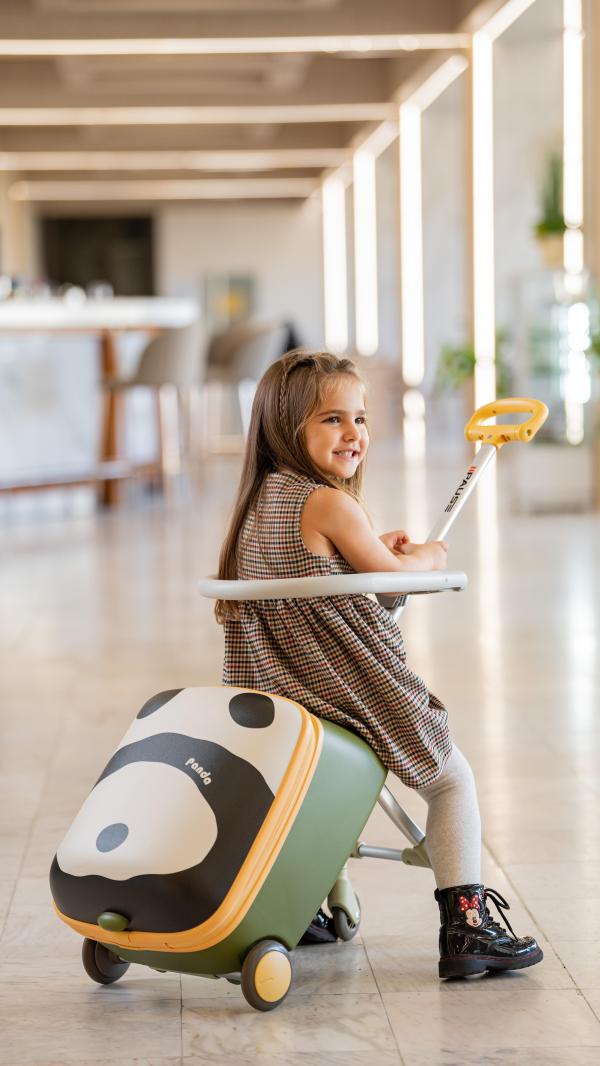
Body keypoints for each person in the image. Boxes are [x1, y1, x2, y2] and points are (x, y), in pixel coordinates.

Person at [215, 348, 543, 979]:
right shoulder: (329, 504)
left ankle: (298, 903)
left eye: (360, 419)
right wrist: (427, 558)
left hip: (279, 691)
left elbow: (340, 576)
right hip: (347, 684)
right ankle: (467, 924)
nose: (353, 434)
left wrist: (372, 552)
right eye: (332, 419)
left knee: (313, 799)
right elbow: (395, 580)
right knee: (449, 778)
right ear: (285, 427)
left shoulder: (258, 502)